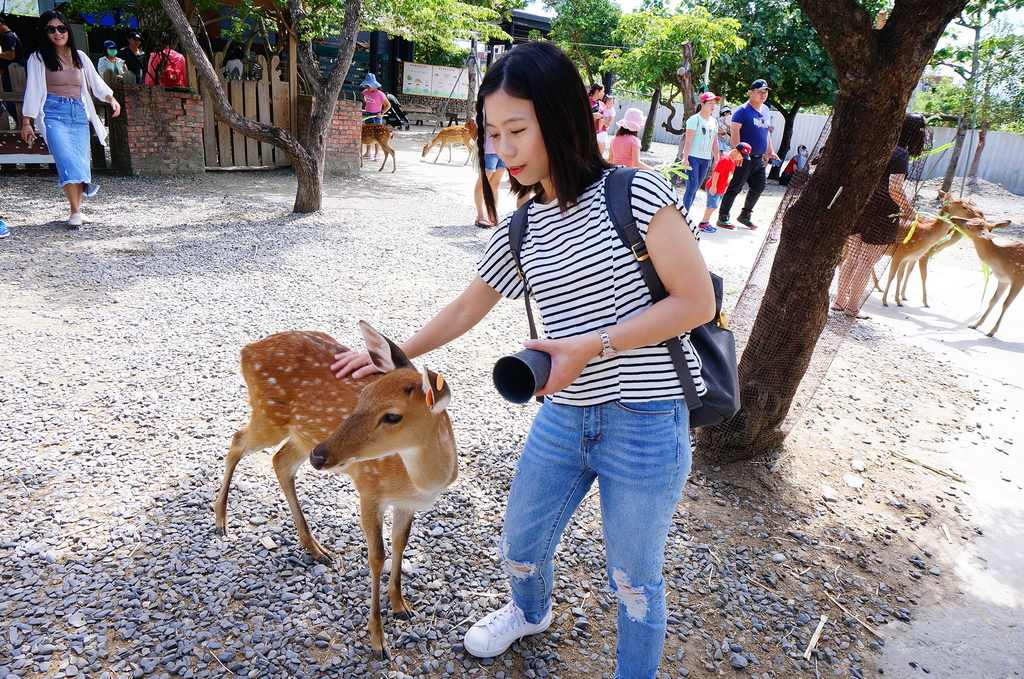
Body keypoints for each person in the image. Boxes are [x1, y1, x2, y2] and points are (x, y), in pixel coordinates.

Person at [332, 41, 714, 678]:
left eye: (517, 130)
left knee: (634, 576)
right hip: (563, 415)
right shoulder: (522, 226)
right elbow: (463, 309)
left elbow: (695, 300)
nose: (503, 148)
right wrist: (387, 354)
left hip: (647, 418)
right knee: (520, 544)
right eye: (494, 132)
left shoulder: (637, 194)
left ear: (560, 118)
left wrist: (592, 346)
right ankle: (530, 611)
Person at [20, 10, 121, 228]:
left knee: (81, 161)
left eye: (61, 28)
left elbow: (96, 83)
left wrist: (111, 99)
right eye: (51, 29)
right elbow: (33, 91)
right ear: (44, 32)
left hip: (79, 113)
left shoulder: (80, 56)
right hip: (53, 113)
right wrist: (26, 121)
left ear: (68, 29)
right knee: (67, 160)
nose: (57, 33)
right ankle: (75, 211)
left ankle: (77, 210)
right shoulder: (38, 58)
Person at [833, 113, 926, 319]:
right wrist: (908, 209)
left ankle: (840, 301)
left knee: (853, 256)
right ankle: (853, 307)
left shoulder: (880, 146)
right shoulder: (901, 153)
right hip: (882, 213)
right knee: (865, 261)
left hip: (861, 207)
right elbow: (894, 187)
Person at [716, 79, 779, 230]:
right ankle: (723, 216)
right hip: (744, 157)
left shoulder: (765, 110)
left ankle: (745, 215)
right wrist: (738, 153)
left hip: (759, 158)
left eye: (765, 92)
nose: (763, 95)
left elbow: (767, 134)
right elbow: (735, 131)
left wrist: (771, 152)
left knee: (759, 186)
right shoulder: (742, 110)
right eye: (760, 92)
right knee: (735, 187)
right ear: (751, 93)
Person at [678, 91, 722, 215]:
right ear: (702, 103)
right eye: (710, 103)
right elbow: (689, 140)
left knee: (696, 188)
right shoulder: (694, 119)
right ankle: (684, 215)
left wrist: (717, 160)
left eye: (715, 103)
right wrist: (685, 158)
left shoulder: (714, 121)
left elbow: (715, 143)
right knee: (691, 187)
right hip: (693, 157)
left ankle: (685, 213)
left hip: (706, 159)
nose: (713, 106)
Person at [694, 142, 751, 233]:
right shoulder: (725, 160)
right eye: (741, 155)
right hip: (715, 187)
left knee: (714, 206)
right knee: (711, 206)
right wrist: (713, 186)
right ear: (735, 151)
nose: (741, 158)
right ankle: (703, 223)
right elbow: (716, 173)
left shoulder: (733, 160)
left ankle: (706, 222)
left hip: (721, 188)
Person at [474, 132, 507, 227]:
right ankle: (480, 216)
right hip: (488, 151)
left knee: (495, 184)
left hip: (502, 150)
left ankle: (492, 214)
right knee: (483, 182)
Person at [0, 13, 26, 123]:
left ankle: (20, 122)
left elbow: (10, 56)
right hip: (9, 73)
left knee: (11, 100)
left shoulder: (8, 36)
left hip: (13, 75)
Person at [360, 73, 390, 160]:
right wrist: (365, 101)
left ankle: (377, 154)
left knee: (377, 136)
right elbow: (362, 94)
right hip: (368, 114)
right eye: (366, 86)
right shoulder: (366, 92)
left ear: (374, 85)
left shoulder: (380, 94)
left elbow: (388, 105)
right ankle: (368, 152)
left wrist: (382, 112)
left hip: (377, 116)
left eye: (369, 86)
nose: (367, 88)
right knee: (367, 135)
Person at [588, 82, 608, 155]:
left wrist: (607, 121)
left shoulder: (602, 104)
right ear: (597, 91)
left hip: (602, 131)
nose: (604, 94)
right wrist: (593, 115)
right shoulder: (587, 102)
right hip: (590, 131)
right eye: (602, 91)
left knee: (600, 156)